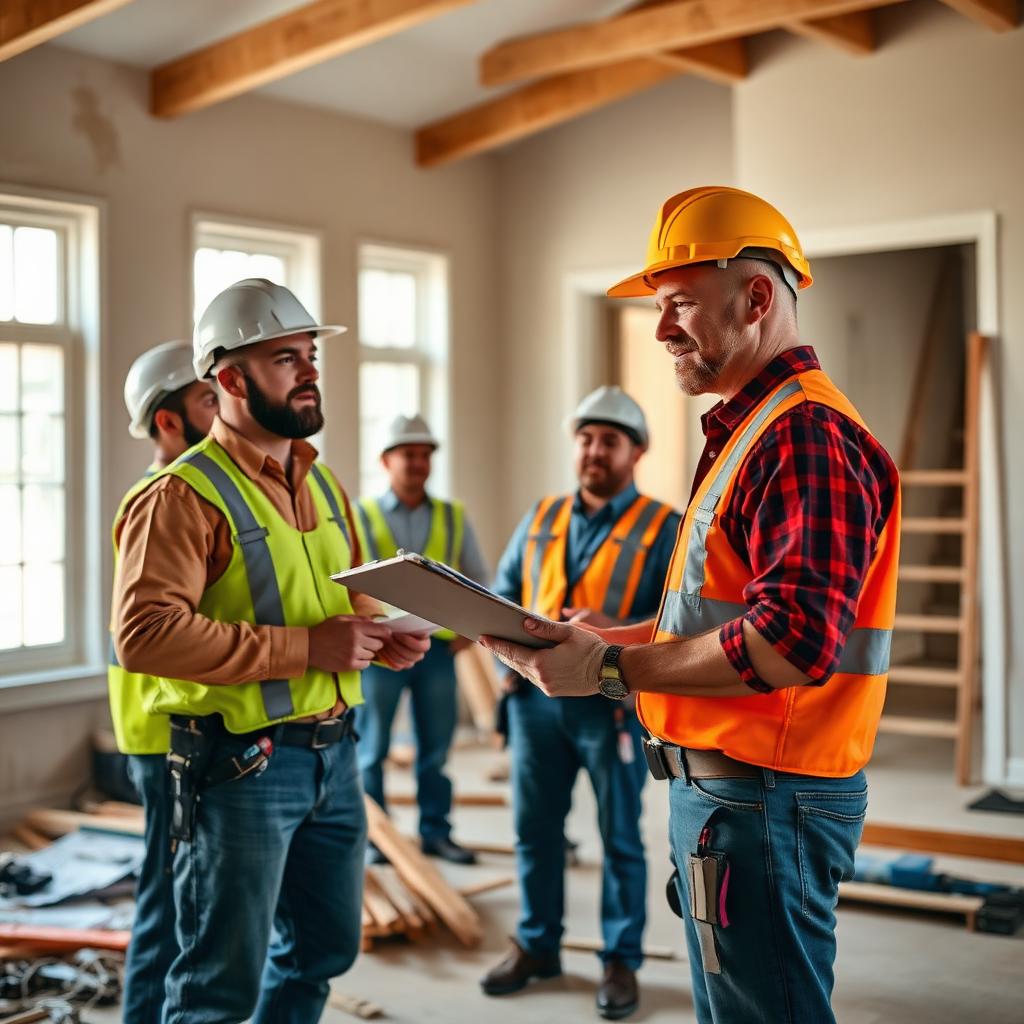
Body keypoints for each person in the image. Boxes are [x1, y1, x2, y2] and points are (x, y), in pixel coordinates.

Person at [481, 186, 901, 1024]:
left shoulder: (801, 434)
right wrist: (602, 635)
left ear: (756, 298)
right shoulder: (753, 429)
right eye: (659, 309)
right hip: (735, 794)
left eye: (679, 305)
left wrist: (606, 667)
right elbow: (717, 618)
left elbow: (791, 643)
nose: (663, 328)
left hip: (764, 796)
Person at [112, 278, 430, 1024]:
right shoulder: (182, 496)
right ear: (228, 379)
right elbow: (143, 633)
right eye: (287, 357)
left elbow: (339, 594)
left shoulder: (322, 484)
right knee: (216, 983)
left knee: (321, 952)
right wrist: (310, 647)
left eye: (311, 354)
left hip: (335, 756)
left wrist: (377, 634)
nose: (311, 371)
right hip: (240, 768)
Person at [480, 386, 680, 1021]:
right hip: (537, 704)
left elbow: (680, 623)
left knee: (621, 835)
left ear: (636, 451)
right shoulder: (541, 518)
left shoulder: (664, 526)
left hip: (613, 702)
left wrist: (610, 631)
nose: (594, 451)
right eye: (586, 438)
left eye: (610, 441)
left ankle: (621, 958)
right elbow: (502, 597)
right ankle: (538, 945)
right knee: (534, 831)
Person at [110, 340, 218, 1024]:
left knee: (187, 896)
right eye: (208, 400)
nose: (225, 410)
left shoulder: (199, 496)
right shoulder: (160, 502)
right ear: (167, 422)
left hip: (183, 729)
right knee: (167, 899)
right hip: (163, 735)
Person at [354, 414, 490, 865]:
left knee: (434, 751)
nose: (416, 462)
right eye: (406, 454)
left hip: (437, 651)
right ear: (386, 460)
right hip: (380, 651)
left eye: (423, 455)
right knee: (371, 749)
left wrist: (470, 633)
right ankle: (377, 839)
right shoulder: (362, 516)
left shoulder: (452, 517)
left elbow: (478, 579)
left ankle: (436, 833)